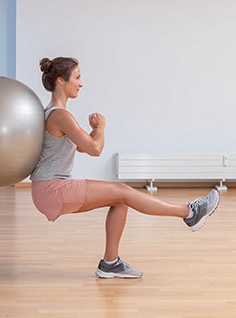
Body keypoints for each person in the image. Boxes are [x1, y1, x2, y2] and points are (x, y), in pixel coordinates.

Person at [30, 56, 219, 279]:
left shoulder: (54, 113)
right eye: (77, 78)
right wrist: (100, 128)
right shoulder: (60, 115)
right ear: (61, 80)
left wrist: (92, 132)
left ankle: (110, 263)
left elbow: (81, 148)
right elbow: (95, 149)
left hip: (47, 188)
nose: (81, 83)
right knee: (123, 191)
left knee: (120, 200)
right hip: (52, 189)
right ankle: (189, 212)